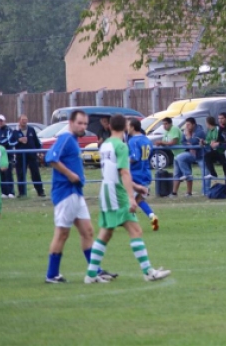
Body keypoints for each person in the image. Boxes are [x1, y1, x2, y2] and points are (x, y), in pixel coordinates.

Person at [84, 114, 170, 283]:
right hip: (118, 192)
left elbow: (113, 170)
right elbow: (124, 172)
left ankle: (91, 274)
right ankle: (148, 272)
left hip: (106, 191)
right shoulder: (122, 146)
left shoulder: (105, 145)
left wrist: (136, 187)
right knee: (135, 231)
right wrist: (131, 197)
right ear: (124, 127)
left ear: (109, 127)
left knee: (106, 233)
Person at [44, 110, 116, 284]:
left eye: (85, 123)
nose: (83, 126)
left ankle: (95, 270)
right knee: (62, 233)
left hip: (76, 192)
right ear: (71, 122)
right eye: (80, 123)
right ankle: (52, 274)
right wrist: (70, 175)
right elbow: (50, 158)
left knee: (88, 231)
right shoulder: (66, 138)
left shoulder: (74, 140)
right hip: (65, 192)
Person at [127, 118, 158, 230]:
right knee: (139, 199)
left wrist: (123, 161)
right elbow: (149, 156)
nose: (126, 127)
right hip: (145, 172)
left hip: (135, 174)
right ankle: (152, 216)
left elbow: (135, 157)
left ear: (132, 127)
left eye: (128, 125)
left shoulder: (133, 141)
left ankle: (131, 225)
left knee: (127, 200)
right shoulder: (146, 140)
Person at [170, 117, 206, 197]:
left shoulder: (200, 131)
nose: (187, 126)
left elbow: (194, 142)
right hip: (189, 153)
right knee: (178, 158)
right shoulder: (185, 131)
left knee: (205, 173)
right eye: (186, 125)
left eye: (188, 124)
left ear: (194, 124)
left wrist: (189, 137)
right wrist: (190, 142)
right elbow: (183, 142)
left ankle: (205, 192)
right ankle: (175, 191)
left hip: (200, 155)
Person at [12, 114, 46, 198]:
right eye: (23, 120)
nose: (24, 121)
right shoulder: (15, 131)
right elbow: (11, 142)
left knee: (35, 173)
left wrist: (40, 151)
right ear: (19, 121)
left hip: (32, 156)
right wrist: (18, 140)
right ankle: (22, 193)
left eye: (26, 120)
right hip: (20, 156)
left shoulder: (31, 130)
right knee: (20, 174)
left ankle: (40, 191)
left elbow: (36, 141)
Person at [0, 115, 17, 198]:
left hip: (8, 155)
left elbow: (9, 141)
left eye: (1, 121)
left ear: (4, 121)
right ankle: (4, 192)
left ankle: (11, 192)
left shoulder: (9, 131)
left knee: (8, 174)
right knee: (2, 174)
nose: (0, 122)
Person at [203, 116, 226, 183]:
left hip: (222, 151)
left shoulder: (217, 128)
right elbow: (208, 141)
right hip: (216, 151)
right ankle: (213, 174)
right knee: (207, 156)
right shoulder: (209, 131)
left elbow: (221, 138)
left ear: (208, 123)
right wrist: (203, 142)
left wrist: (215, 141)